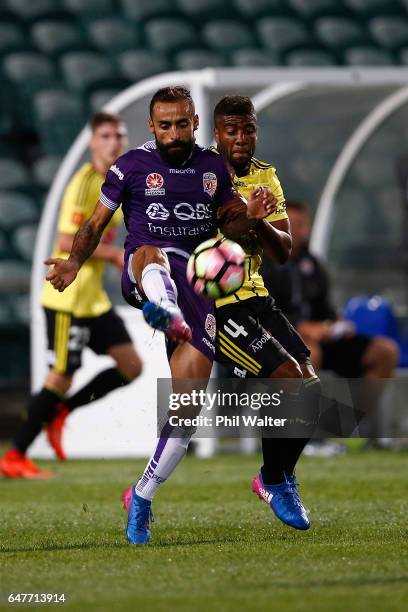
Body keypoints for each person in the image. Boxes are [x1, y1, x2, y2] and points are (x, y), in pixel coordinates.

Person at [43, 86, 276, 544]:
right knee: (151, 252)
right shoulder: (130, 166)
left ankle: (142, 496)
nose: (174, 132)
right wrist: (73, 261)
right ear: (152, 127)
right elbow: (94, 224)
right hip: (144, 273)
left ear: (194, 124)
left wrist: (247, 215)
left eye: (182, 123)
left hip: (198, 290)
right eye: (165, 125)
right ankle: (163, 310)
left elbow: (229, 220)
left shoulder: (212, 168)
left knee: (186, 411)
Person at [0, 112, 142, 479]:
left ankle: (62, 411)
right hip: (67, 299)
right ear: (93, 142)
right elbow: (66, 241)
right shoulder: (85, 183)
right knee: (60, 375)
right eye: (106, 135)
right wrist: (112, 255)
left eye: (119, 135)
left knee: (131, 366)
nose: (114, 142)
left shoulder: (118, 181)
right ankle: (15, 453)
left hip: (93, 299)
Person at [211, 96, 321, 529]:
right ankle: (142, 492)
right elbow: (221, 227)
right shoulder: (202, 172)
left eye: (249, 129)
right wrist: (251, 216)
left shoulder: (266, 175)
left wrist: (258, 220)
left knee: (311, 391)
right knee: (290, 382)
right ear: (216, 132)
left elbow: (284, 251)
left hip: (256, 295)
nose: (242, 138)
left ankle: (274, 477)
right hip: (215, 302)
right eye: (232, 130)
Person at [261, 200, 399, 450]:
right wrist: (301, 327)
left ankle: (347, 426)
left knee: (384, 352)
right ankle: (309, 437)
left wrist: (337, 325)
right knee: (310, 352)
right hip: (278, 342)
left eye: (301, 224)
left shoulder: (313, 265)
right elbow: (261, 313)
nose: (296, 230)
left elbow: (325, 309)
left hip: (321, 340)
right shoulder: (263, 264)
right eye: (290, 223)